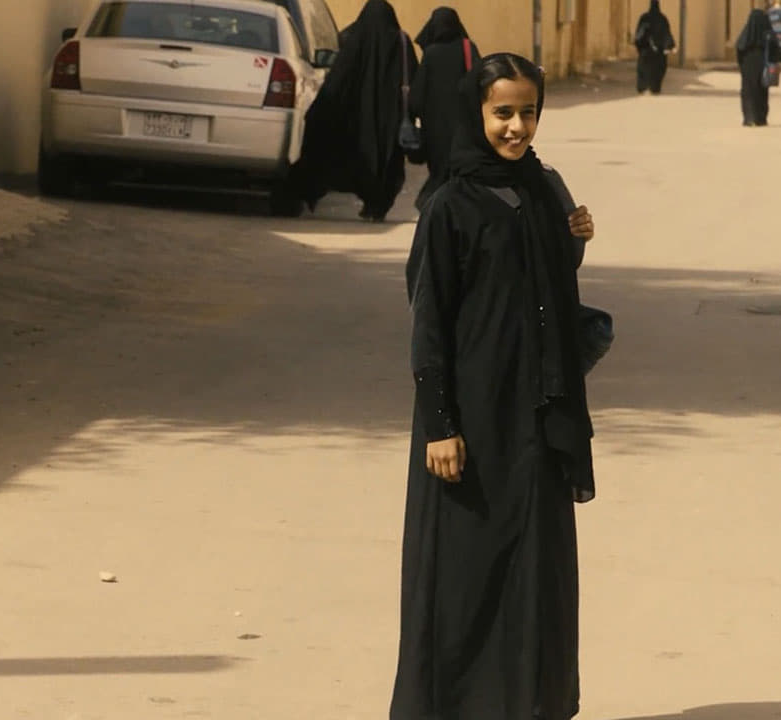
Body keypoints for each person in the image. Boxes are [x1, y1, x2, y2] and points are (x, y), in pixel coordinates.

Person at [391, 53, 598, 720]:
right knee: (467, 574)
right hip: (473, 419)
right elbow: (430, 324)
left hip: (535, 415)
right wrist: (440, 425)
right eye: (502, 113)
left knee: (535, 568)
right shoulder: (449, 206)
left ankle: (531, 704)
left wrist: (572, 240)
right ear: (476, 114)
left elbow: (539, 285)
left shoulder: (540, 188)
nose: (517, 127)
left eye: (528, 112)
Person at [288, 0, 417, 221]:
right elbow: (414, 77)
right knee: (386, 162)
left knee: (342, 154)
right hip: (389, 120)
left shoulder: (356, 39)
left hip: (355, 119)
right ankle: (376, 206)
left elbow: (338, 77)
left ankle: (303, 193)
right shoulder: (401, 42)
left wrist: (321, 108)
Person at [408, 7, 482, 211]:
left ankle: (431, 201)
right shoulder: (468, 48)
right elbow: (481, 81)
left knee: (439, 168)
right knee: (459, 168)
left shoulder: (431, 54)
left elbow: (417, 95)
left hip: (435, 129)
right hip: (464, 125)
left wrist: (412, 115)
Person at [735, 8, 781, 127]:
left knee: (748, 92)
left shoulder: (745, 37)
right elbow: (777, 52)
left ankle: (749, 118)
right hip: (764, 69)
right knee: (761, 93)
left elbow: (739, 51)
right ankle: (761, 118)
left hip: (748, 70)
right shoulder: (769, 36)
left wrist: (743, 67)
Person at [634, 0, 676, 94]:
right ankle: (655, 88)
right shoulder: (662, 18)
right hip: (658, 51)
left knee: (644, 69)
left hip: (645, 50)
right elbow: (666, 33)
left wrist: (639, 45)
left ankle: (642, 87)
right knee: (658, 70)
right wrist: (670, 46)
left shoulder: (645, 18)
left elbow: (639, 34)